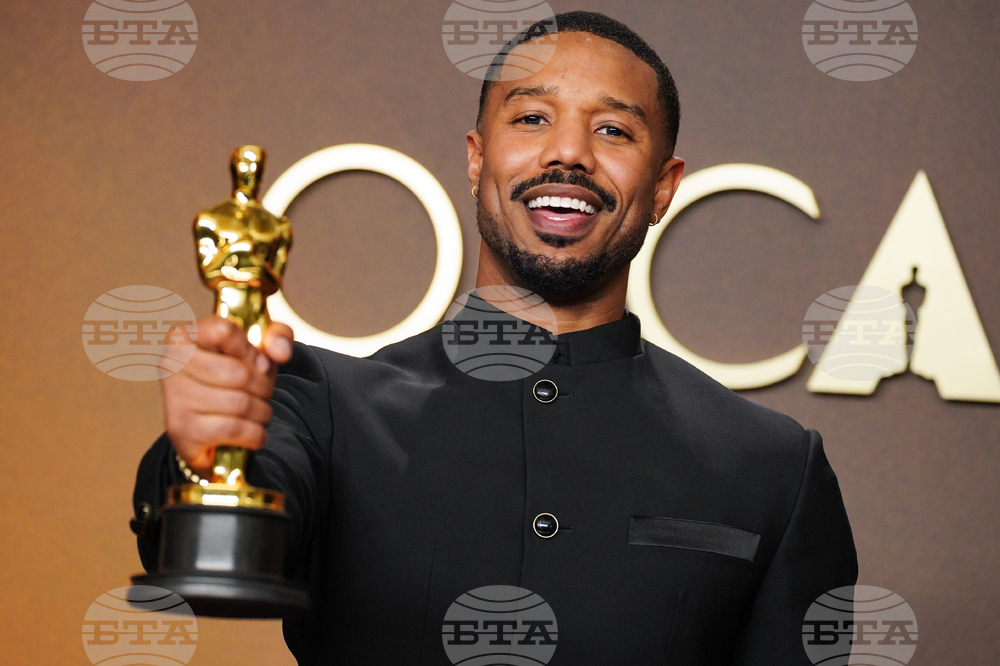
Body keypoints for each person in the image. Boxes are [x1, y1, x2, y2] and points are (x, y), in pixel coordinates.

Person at [133, 11, 857, 665]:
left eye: (613, 130)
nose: (569, 153)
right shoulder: (322, 410)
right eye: (532, 118)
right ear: (477, 158)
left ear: (664, 186)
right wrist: (203, 454)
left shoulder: (775, 469)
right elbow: (217, 538)